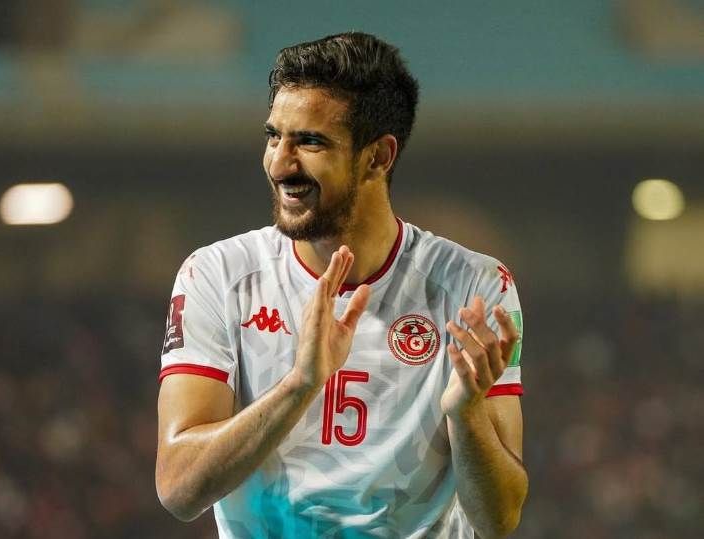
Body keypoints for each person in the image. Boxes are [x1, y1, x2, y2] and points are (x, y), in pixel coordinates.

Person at [155, 32, 527, 538]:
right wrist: (299, 385)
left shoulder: (474, 287)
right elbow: (178, 488)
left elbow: (500, 521)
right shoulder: (217, 275)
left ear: (378, 157)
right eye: (274, 136)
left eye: (309, 142)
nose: (279, 163)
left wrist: (465, 415)